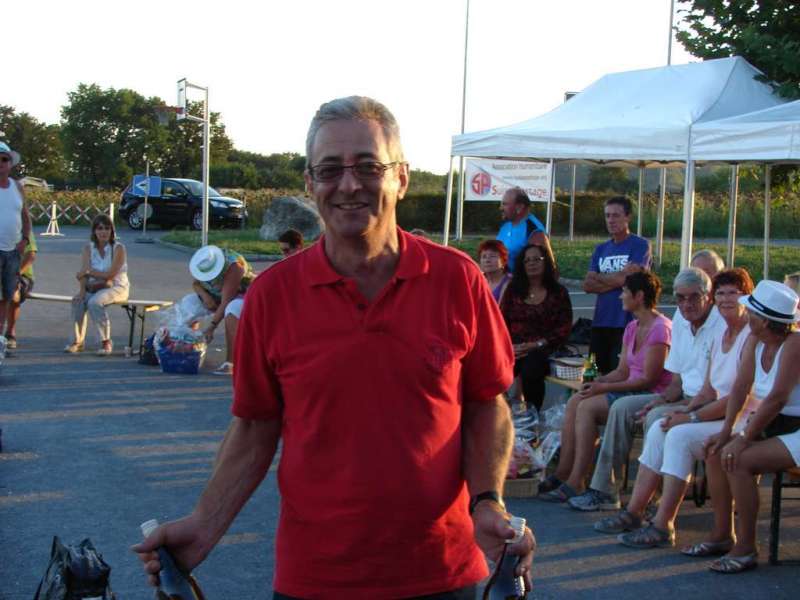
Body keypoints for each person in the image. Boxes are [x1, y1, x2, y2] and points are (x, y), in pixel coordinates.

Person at [135, 96, 535, 598]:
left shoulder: (458, 280)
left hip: (442, 571)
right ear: (310, 183)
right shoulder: (272, 297)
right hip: (316, 577)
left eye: (369, 166)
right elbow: (256, 427)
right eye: (329, 170)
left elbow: (485, 404)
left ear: (402, 178)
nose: (349, 184)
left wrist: (489, 503)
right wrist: (205, 524)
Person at [592, 269, 754, 548]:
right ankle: (634, 511)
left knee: (676, 434)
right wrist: (676, 409)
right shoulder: (721, 334)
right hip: (715, 409)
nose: (726, 299)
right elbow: (707, 389)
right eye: (722, 293)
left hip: (743, 418)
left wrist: (689, 416)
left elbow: (740, 398)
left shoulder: (749, 335)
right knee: (660, 426)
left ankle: (663, 523)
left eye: (734, 294)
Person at [567, 265, 724, 512]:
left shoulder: (682, 327)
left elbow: (650, 380)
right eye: (681, 297)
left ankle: (653, 498)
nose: (686, 304)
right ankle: (600, 489)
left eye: (694, 297)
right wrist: (599, 384)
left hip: (698, 401)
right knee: (591, 402)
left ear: (708, 297)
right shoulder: (677, 322)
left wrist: (663, 402)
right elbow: (675, 381)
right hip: (676, 396)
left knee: (648, 417)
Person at [539, 271, 671, 502]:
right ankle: (564, 473)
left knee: (587, 408)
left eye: (624, 292)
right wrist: (597, 382)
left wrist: (603, 389)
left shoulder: (660, 328)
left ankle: (577, 480)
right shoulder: (632, 327)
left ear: (639, 296)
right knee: (575, 400)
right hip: (631, 386)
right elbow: (622, 371)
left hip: (651, 394)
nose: (620, 297)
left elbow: (648, 379)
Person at [702, 280, 800, 574]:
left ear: (766, 320)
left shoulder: (795, 343)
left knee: (739, 460)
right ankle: (722, 535)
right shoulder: (756, 340)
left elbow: (777, 398)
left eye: (751, 311)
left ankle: (745, 548)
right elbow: (741, 386)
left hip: (795, 428)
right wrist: (725, 431)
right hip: (777, 425)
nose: (745, 313)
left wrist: (743, 438)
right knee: (714, 451)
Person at [583, 196, 651, 374]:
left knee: (619, 374)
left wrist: (599, 276)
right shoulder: (601, 249)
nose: (611, 220)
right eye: (607, 216)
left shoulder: (640, 245)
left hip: (626, 322)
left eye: (616, 215)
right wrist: (619, 278)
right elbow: (588, 285)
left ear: (627, 217)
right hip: (601, 321)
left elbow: (628, 281)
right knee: (595, 374)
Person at [500, 243, 572, 411]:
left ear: (546, 262)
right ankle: (499, 414)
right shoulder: (513, 290)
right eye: (527, 260)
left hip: (545, 347)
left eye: (537, 259)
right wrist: (509, 346)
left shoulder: (558, 292)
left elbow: (564, 328)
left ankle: (533, 417)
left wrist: (537, 344)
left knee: (531, 370)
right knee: (496, 368)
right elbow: (501, 322)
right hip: (514, 347)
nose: (532, 263)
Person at [64, 214, 129, 355]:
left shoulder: (119, 248)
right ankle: (77, 342)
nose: (103, 232)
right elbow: (83, 274)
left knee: (94, 302)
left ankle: (105, 342)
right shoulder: (88, 248)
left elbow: (111, 275)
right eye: (100, 228)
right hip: (95, 286)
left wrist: (89, 272)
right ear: (94, 231)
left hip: (117, 287)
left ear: (112, 231)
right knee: (77, 302)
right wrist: (81, 291)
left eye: (107, 228)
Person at [189, 245, 255, 376]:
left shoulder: (235, 267)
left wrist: (211, 327)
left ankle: (231, 362)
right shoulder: (205, 262)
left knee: (231, 310)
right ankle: (187, 349)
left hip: (242, 296)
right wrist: (205, 296)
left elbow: (226, 302)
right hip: (215, 297)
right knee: (188, 304)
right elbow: (196, 284)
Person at [0, 142, 32, 341]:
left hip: (13, 252)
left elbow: (26, 216)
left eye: (4, 159)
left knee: (6, 296)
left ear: (11, 163)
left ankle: (1, 338)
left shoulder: (17, 187)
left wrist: (26, 239)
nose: (1, 163)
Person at [496, 186, 546, 272]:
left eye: (505, 204)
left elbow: (544, 268)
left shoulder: (534, 230)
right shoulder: (506, 224)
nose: (501, 208)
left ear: (519, 207)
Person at [3, 232, 37, 349]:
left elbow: (30, 256)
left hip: (21, 274)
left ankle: (10, 333)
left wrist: (15, 275)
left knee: (13, 293)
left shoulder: (22, 229)